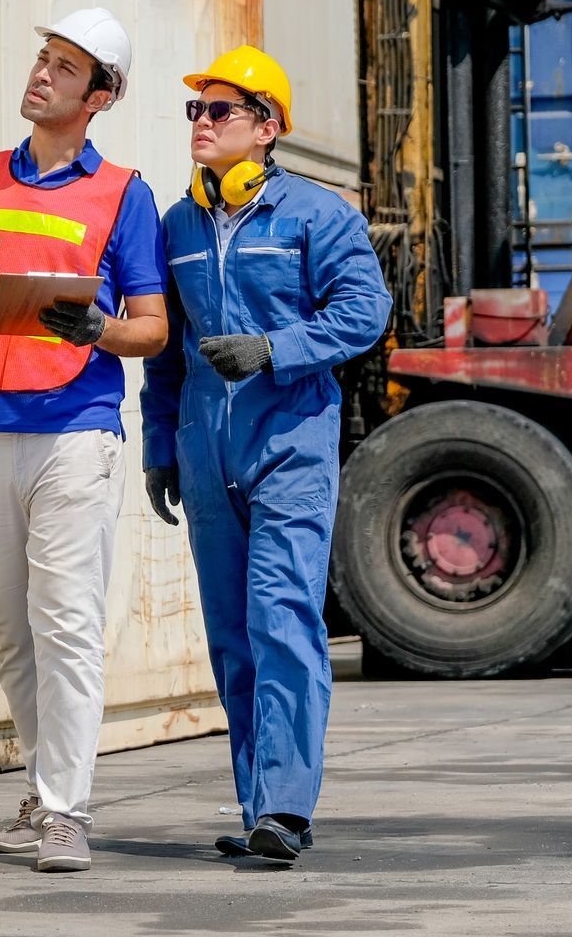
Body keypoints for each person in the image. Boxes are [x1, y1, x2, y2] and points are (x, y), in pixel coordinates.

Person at [0, 8, 169, 873]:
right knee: (14, 634)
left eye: (64, 67)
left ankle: (66, 812)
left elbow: (153, 330)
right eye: (42, 58)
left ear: (101, 96)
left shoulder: (124, 194)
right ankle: (45, 787)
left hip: (74, 437)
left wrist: (96, 328)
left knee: (66, 627)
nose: (41, 75)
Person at [140, 45, 390, 863]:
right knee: (232, 636)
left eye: (220, 112)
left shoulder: (316, 216)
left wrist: (274, 349)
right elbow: (166, 353)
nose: (201, 125)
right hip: (206, 458)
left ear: (267, 128)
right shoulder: (175, 225)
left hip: (290, 450)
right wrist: (159, 444)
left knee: (282, 621)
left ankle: (286, 806)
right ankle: (257, 807)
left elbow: (366, 311)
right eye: (196, 112)